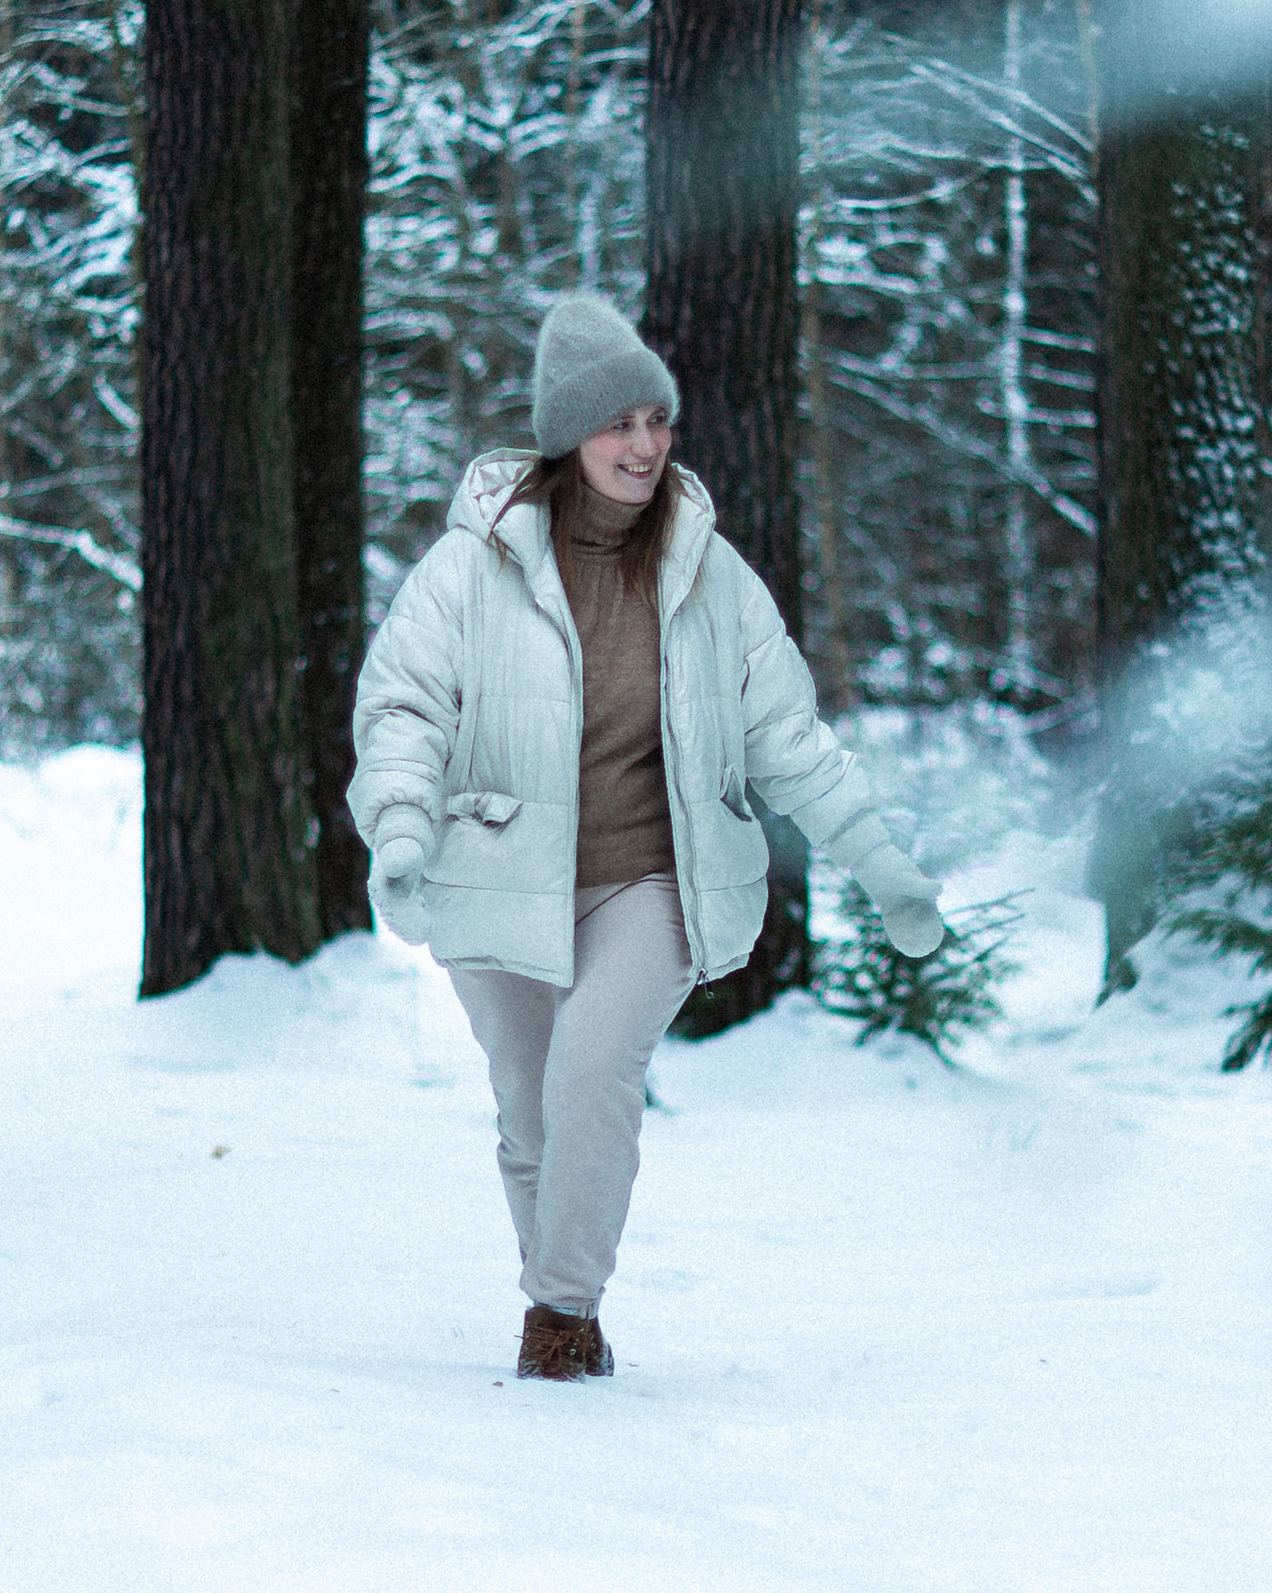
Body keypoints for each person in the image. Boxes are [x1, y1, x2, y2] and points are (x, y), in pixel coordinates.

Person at [350, 292, 946, 1382]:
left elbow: (790, 742)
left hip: (653, 880)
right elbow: (401, 712)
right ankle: (562, 1298)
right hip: (495, 877)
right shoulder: (466, 569)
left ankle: (559, 1319)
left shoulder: (710, 575)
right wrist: (399, 831)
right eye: (618, 423)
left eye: (655, 421)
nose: (643, 444)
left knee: (590, 1073)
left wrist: (883, 867)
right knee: (531, 1119)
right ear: (569, 435)